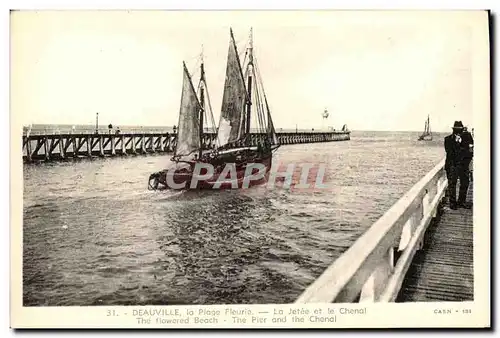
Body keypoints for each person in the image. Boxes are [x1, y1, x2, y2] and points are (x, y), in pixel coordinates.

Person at [444, 121, 472, 209]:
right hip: (452, 165)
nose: (458, 132)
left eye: (460, 130)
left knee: (465, 183)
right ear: (453, 130)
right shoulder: (448, 139)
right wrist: (457, 144)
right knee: (452, 184)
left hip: (464, 165)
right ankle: (453, 203)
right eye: (456, 130)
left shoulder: (467, 138)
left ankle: (461, 202)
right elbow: (450, 153)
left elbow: (471, 151)